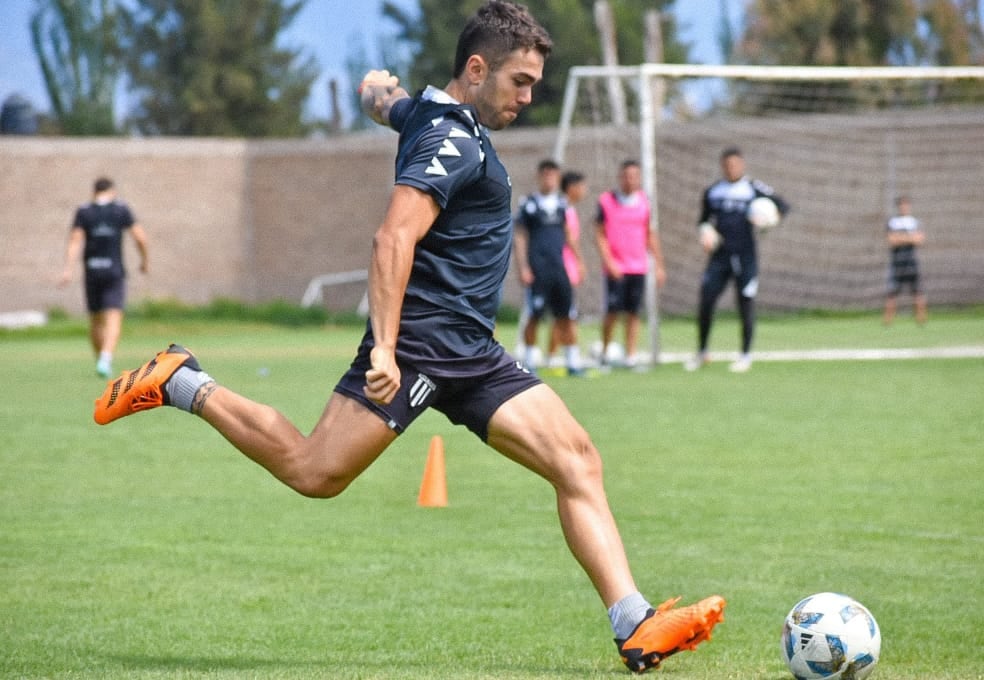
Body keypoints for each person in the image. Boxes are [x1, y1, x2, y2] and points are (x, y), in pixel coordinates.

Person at [93, 1, 724, 673]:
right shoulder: (449, 139)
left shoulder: (431, 115)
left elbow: (387, 103)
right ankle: (181, 379)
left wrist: (378, 93)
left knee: (577, 460)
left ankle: (635, 624)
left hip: (473, 352)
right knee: (315, 472)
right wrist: (386, 348)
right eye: (519, 81)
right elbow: (393, 234)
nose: (529, 96)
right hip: (421, 343)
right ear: (477, 69)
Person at [685, 148, 789, 373]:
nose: (731, 168)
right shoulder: (713, 191)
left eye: (735, 164)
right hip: (719, 256)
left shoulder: (754, 188)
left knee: (745, 302)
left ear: (742, 165)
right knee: (706, 300)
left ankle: (745, 355)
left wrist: (770, 221)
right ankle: (702, 352)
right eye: (727, 164)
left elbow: (783, 207)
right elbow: (703, 220)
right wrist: (706, 233)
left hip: (745, 255)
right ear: (722, 166)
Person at [58, 177, 149, 377]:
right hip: (114, 271)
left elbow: (75, 240)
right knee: (113, 318)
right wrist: (144, 260)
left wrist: (68, 269)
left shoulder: (84, 211)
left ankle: (101, 359)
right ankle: (106, 358)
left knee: (96, 319)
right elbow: (140, 237)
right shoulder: (120, 209)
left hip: (92, 271)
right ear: (113, 191)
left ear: (94, 192)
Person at [513, 159, 584, 376]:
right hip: (538, 269)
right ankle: (529, 359)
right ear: (539, 176)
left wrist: (579, 260)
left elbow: (569, 236)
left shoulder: (563, 205)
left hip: (559, 268)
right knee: (534, 315)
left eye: (553, 175)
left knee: (566, 315)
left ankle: (573, 361)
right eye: (545, 174)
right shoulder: (529, 204)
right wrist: (523, 266)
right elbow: (520, 237)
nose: (549, 179)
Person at [594, 160, 666, 369]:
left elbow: (650, 234)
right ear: (620, 177)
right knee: (612, 311)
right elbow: (599, 234)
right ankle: (605, 354)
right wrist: (609, 261)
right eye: (626, 175)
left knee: (633, 312)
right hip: (615, 268)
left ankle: (631, 355)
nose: (630, 180)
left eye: (634, 176)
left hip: (638, 267)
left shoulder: (645, 202)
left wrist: (659, 264)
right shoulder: (606, 201)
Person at [546, 170, 587, 368]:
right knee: (566, 314)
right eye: (581, 186)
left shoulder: (567, 208)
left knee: (563, 314)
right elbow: (569, 238)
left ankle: (554, 354)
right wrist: (579, 262)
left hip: (564, 267)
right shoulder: (563, 209)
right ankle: (562, 356)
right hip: (564, 267)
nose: (584, 191)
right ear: (571, 188)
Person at [883, 195, 927, 325]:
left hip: (911, 262)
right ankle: (887, 322)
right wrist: (909, 237)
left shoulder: (915, 222)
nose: (904, 207)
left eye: (906, 205)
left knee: (918, 291)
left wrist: (900, 237)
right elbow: (891, 240)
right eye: (902, 205)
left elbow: (919, 239)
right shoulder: (892, 222)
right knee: (892, 292)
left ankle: (921, 320)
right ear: (898, 207)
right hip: (897, 262)